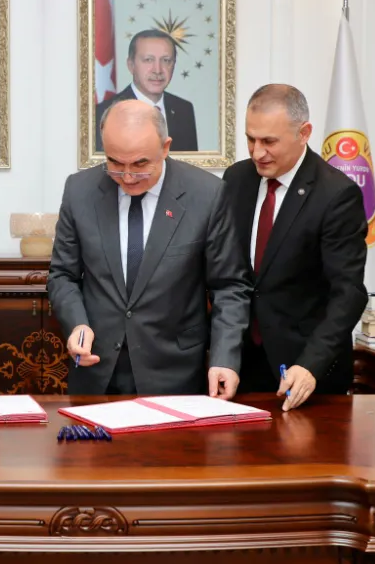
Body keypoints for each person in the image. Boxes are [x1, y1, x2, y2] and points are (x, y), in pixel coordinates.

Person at [48, 99, 251, 397]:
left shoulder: (206, 194)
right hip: (96, 371)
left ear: (165, 147)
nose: (128, 177)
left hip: (175, 373)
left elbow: (229, 286)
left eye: (140, 164)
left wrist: (224, 359)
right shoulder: (79, 191)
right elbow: (62, 275)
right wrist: (77, 324)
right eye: (115, 163)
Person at [222, 84, 368, 410]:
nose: (257, 152)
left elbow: (348, 294)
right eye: (250, 139)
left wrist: (311, 364)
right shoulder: (236, 180)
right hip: (243, 367)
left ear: (304, 133)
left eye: (269, 141)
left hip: (306, 370)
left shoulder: (336, 195)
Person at [95, 29, 198, 153]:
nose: (157, 70)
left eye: (166, 60)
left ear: (174, 64)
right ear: (131, 65)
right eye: (148, 60)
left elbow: (190, 163)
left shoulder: (184, 109)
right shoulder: (104, 113)